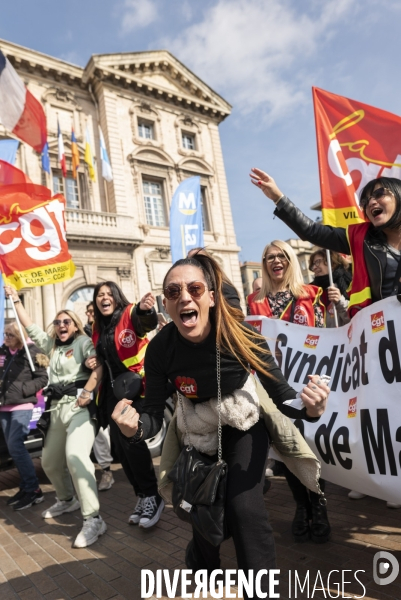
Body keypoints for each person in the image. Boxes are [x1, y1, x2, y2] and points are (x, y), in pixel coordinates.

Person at [111, 253, 329, 596]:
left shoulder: (242, 336)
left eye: (195, 288)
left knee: (244, 509)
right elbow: (153, 414)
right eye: (173, 292)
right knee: (202, 509)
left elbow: (283, 394)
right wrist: (134, 428)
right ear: (167, 305)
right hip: (195, 428)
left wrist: (310, 408)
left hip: (242, 420)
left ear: (211, 297)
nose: (184, 297)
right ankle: (203, 566)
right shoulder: (160, 351)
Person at [251, 168, 401, 508]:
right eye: (366, 200)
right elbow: (311, 229)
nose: (371, 202)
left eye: (379, 194)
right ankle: (378, 474)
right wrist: (278, 196)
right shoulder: (360, 236)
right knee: (375, 405)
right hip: (377, 338)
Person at [4, 286, 106, 548]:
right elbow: (30, 326)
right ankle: (66, 499)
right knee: (49, 462)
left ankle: (93, 518)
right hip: (56, 408)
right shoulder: (51, 346)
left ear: (74, 326)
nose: (61, 325)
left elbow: (99, 368)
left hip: (79, 408)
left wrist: (88, 392)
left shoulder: (82, 343)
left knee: (75, 456)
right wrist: (15, 299)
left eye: (66, 321)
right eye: (58, 322)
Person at [247, 240, 331, 542]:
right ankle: (301, 507)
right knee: (286, 449)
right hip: (274, 388)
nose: (275, 261)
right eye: (269, 257)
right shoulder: (253, 302)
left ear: (290, 260)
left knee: (310, 446)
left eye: (281, 255)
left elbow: (323, 339)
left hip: (307, 385)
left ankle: (318, 506)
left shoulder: (312, 295)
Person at [88, 281, 163, 527]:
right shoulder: (96, 327)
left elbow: (146, 324)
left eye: (109, 294)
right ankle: (140, 495)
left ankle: (153, 496)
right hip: (111, 394)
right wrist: (92, 362)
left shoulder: (130, 313)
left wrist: (145, 310)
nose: (105, 298)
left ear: (117, 297)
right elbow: (103, 360)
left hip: (137, 388)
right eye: (100, 295)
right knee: (120, 450)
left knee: (133, 444)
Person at [0, 322, 49, 510]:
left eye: (9, 335)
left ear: (19, 336)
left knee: (16, 446)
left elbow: (43, 378)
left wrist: (23, 390)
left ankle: (34, 489)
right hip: (4, 406)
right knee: (13, 450)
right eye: (4, 335)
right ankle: (26, 486)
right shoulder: (3, 351)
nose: (5, 338)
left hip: (22, 405)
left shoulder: (33, 351)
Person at [83, 302, 115, 492]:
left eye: (92, 312)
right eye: (87, 312)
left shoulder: (105, 331)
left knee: (114, 432)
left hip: (110, 387)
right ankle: (106, 471)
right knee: (99, 431)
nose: (89, 315)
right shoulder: (84, 335)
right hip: (93, 389)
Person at [309, 249, 351, 327]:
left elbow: (356, 318)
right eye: (313, 265)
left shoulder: (350, 283)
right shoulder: (312, 290)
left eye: (318, 262)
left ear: (332, 263)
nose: (314, 267)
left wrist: (340, 301)